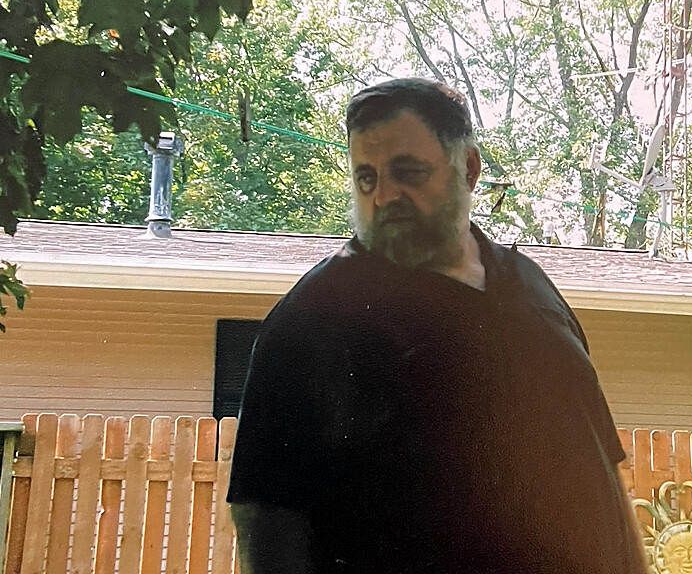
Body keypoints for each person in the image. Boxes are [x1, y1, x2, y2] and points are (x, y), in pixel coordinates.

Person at [227, 78, 650, 574]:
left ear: (469, 168)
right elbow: (265, 521)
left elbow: (603, 465)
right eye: (366, 178)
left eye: (407, 173)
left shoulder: (529, 285)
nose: (384, 196)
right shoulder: (314, 318)